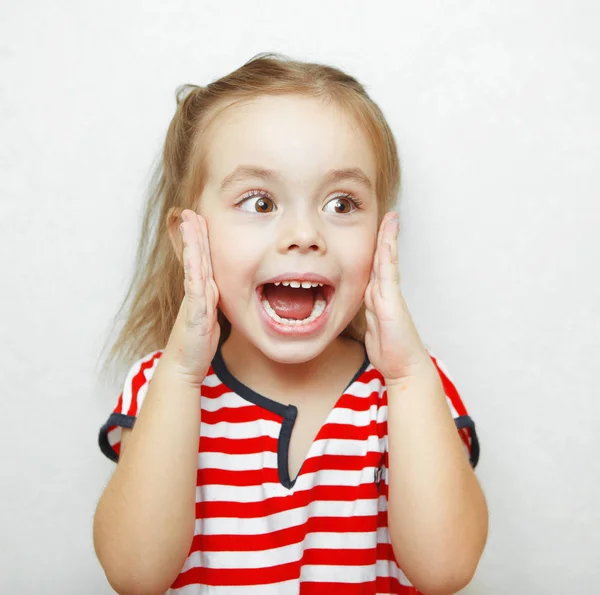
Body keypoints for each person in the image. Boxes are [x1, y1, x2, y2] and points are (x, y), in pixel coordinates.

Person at [93, 52, 488, 595]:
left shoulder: (410, 388)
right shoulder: (162, 386)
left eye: (343, 203)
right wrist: (183, 376)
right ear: (187, 238)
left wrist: (406, 376)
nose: (304, 233)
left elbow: (446, 571)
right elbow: (135, 575)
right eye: (259, 201)